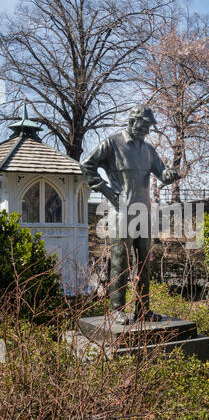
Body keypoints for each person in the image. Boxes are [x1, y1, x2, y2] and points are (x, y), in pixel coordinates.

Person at [80, 104, 179, 324]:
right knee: (120, 260)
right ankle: (117, 309)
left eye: (149, 126)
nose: (147, 130)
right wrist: (104, 188)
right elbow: (87, 165)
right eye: (144, 125)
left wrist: (169, 174)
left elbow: (161, 172)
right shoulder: (112, 143)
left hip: (143, 211)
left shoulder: (148, 150)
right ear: (132, 122)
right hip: (121, 211)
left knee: (144, 262)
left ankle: (143, 309)